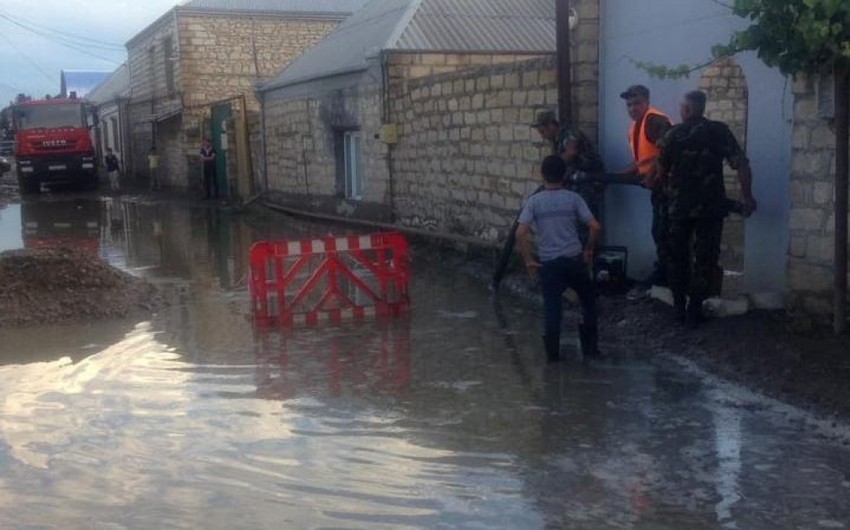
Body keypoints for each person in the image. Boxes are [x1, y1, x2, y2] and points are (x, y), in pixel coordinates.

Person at [656, 91, 757, 328]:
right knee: (705, 259)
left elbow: (660, 174)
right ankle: (694, 311)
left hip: (679, 208)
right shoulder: (718, 131)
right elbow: (741, 164)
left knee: (677, 257)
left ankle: (678, 308)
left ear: (687, 110)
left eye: (682, 107)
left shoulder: (671, 135)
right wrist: (747, 196)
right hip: (710, 208)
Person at [517, 155, 603, 363]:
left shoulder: (535, 202)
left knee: (552, 308)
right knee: (588, 301)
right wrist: (589, 248)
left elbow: (520, 234)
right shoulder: (573, 198)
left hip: (550, 264)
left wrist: (529, 261)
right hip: (574, 260)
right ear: (564, 175)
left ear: (542, 175)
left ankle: (553, 356)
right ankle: (590, 349)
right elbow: (595, 227)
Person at [620, 84, 674, 286]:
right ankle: (665, 273)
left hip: (669, 186)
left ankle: (668, 276)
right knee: (659, 230)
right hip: (658, 187)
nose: (632, 108)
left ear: (647, 102)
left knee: (664, 231)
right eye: (629, 105)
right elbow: (645, 159)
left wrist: (651, 176)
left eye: (637, 103)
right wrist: (623, 173)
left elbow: (667, 152)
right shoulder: (636, 127)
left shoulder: (655, 121)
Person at [532, 110, 606, 217]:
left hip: (589, 181)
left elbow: (571, 153)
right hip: (576, 183)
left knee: (586, 217)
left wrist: (552, 169)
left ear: (551, 126)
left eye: (543, 132)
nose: (543, 136)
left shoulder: (570, 134)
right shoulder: (556, 141)